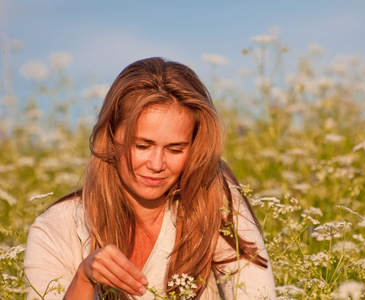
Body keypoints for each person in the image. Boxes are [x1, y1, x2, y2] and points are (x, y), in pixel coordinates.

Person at [24, 57, 276, 300]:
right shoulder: (55, 231)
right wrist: (84, 278)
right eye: (142, 146)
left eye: (175, 149)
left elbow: (258, 293)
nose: (157, 165)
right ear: (110, 136)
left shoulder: (212, 198)